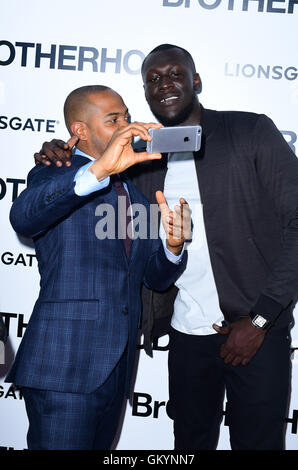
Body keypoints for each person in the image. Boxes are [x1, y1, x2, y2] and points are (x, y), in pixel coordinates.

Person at [34, 44, 298, 450]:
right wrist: (64, 155)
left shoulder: (249, 131)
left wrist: (262, 318)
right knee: (187, 446)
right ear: (145, 93)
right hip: (186, 335)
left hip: (256, 331)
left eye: (175, 73)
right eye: (153, 79)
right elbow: (111, 214)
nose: (164, 84)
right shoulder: (137, 159)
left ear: (196, 81)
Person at [5, 84, 190, 450]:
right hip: (64, 368)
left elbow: (153, 277)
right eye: (113, 120)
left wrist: (172, 246)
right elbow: (24, 217)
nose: (126, 127)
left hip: (116, 372)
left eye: (126, 116)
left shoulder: (134, 194)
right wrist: (98, 171)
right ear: (80, 130)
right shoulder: (54, 173)